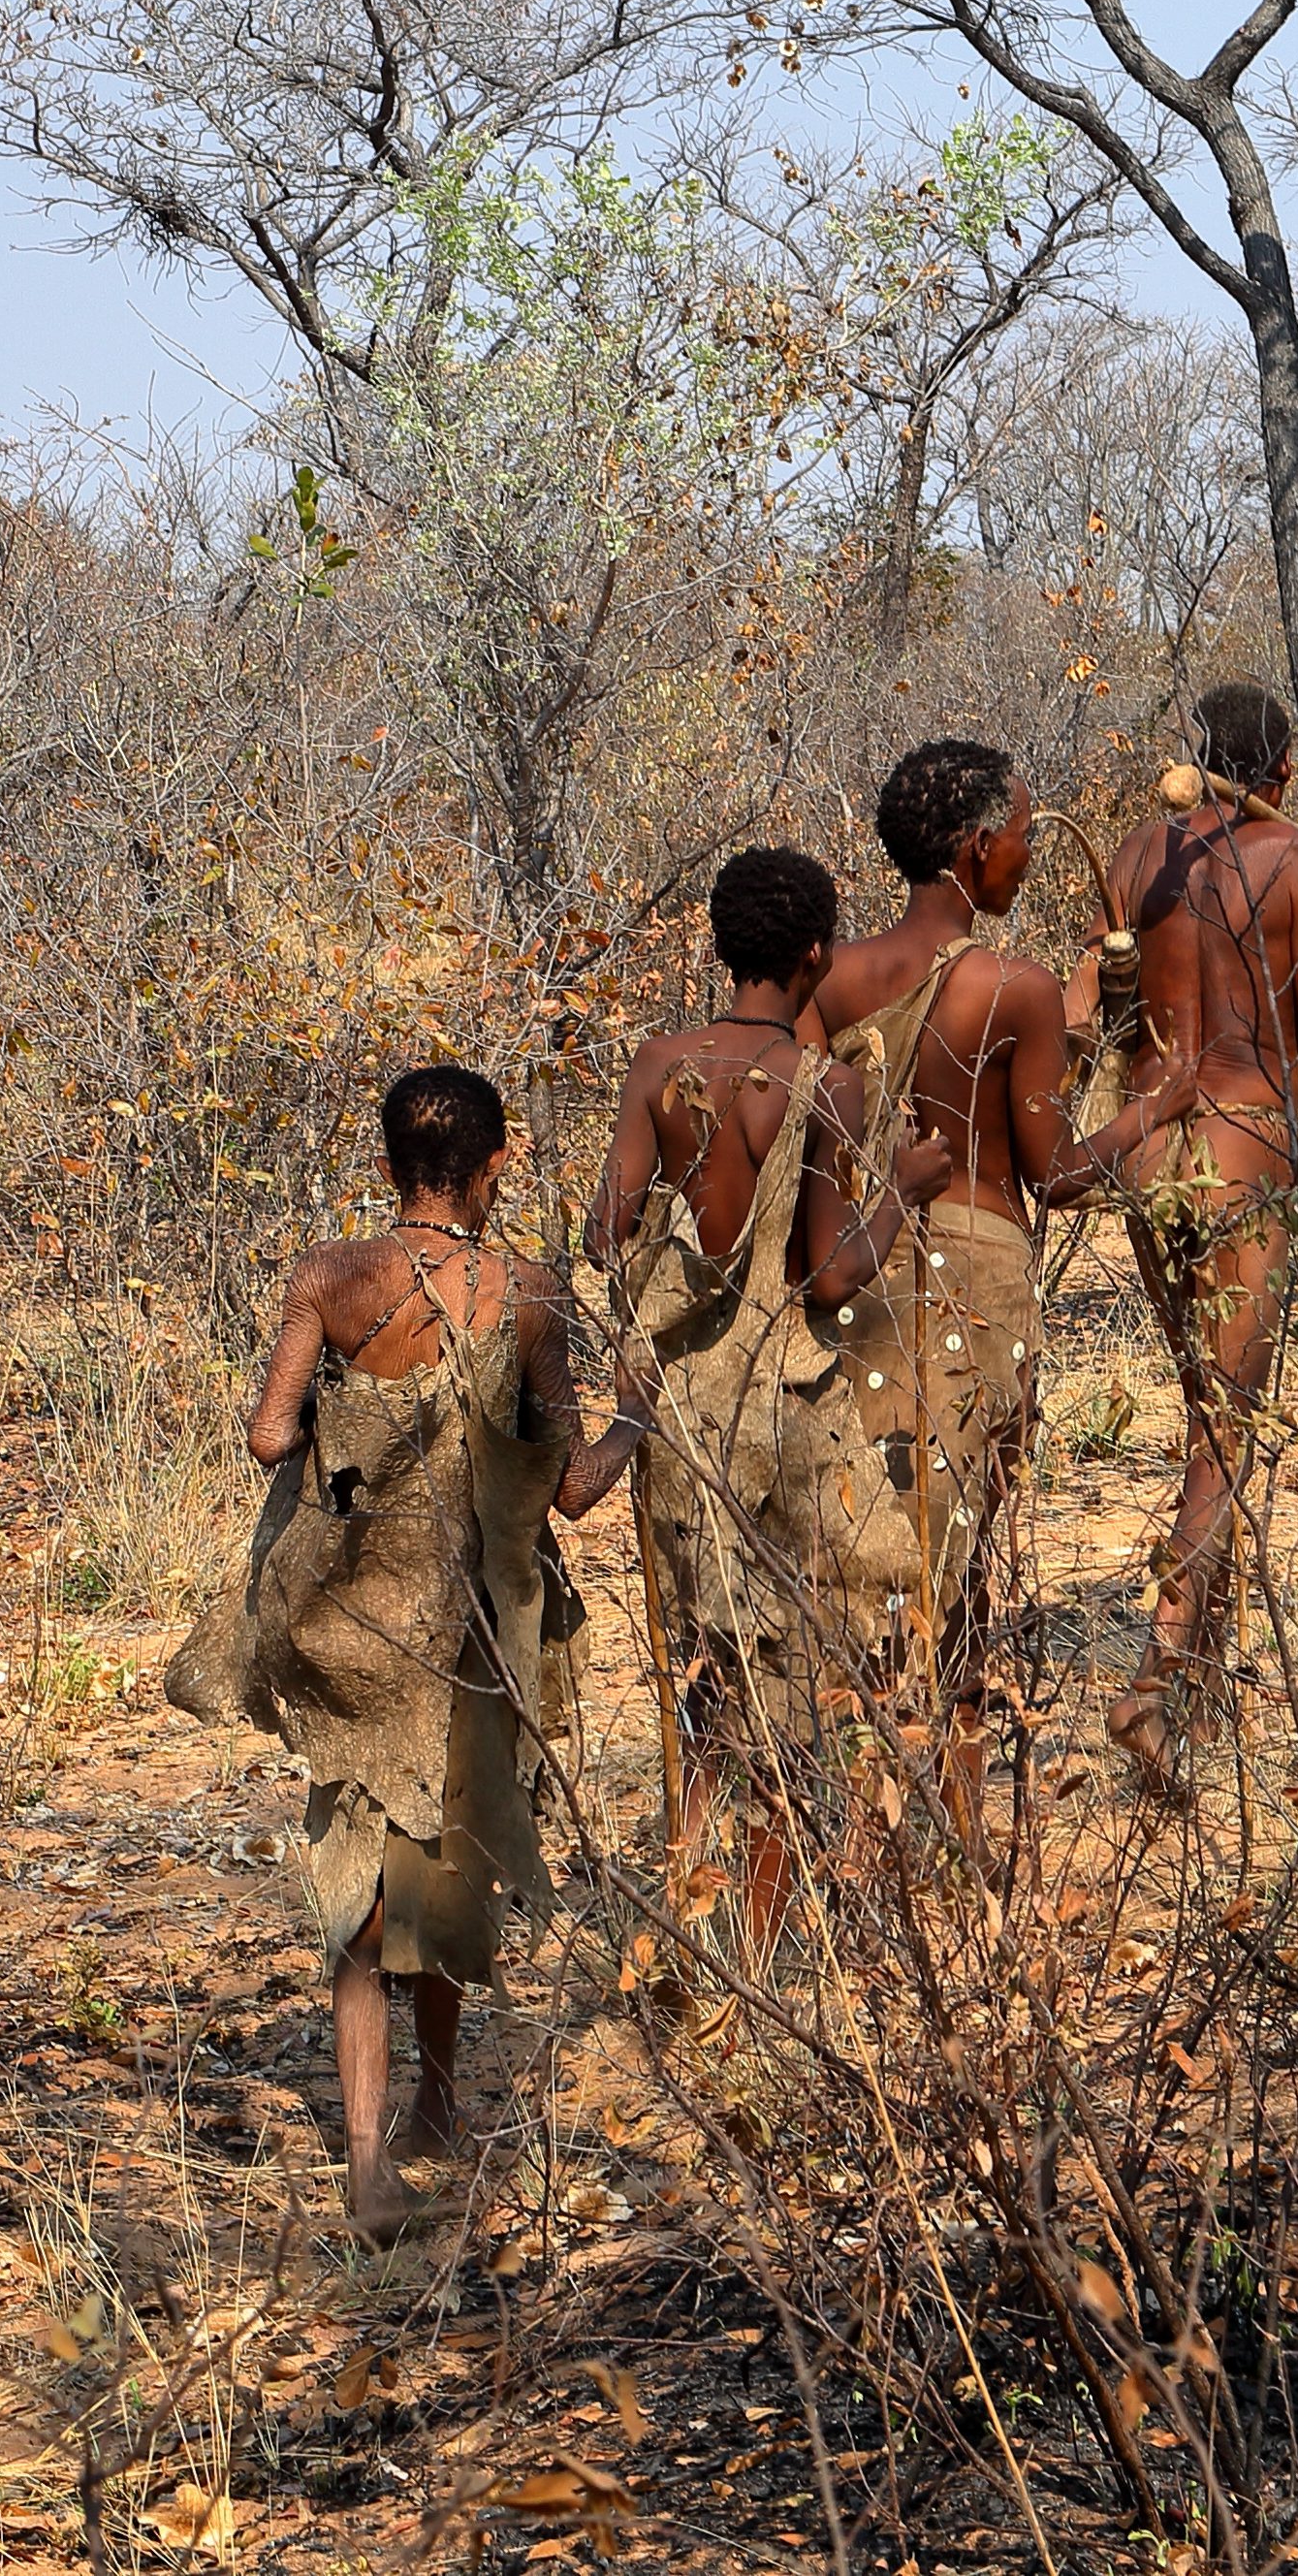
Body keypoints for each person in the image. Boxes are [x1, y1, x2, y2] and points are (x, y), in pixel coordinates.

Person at [237, 1064, 643, 2236]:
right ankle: (441, 2104)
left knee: (358, 1876)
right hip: (470, 1619)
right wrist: (641, 1416)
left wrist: (348, 1424)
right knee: (451, 1860)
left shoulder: (332, 1275)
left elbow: (269, 1433)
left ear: (387, 1168)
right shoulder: (528, 1291)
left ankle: (371, 2164)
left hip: (352, 1617)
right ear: (497, 1164)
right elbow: (569, 1488)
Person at [809, 739, 1202, 1828]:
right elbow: (1062, 1173)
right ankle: (958, 1827)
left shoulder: (830, 981)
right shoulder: (1012, 987)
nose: (1029, 854)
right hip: (977, 1280)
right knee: (964, 1556)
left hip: (858, 1276)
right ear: (979, 848)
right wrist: (1153, 1107)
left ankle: (871, 1822)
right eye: (1023, 833)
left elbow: (804, 1126)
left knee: (868, 1541)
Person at [584, 847, 955, 1932]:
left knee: (700, 1679)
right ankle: (760, 1943)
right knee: (786, 1685)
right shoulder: (823, 1084)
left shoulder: (660, 1064)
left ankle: (689, 1934)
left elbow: (606, 1233)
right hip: (781, 1405)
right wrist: (907, 1190)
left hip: (678, 1414)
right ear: (815, 956)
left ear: (717, 944)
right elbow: (832, 1273)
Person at [1090, 682, 1298, 1787]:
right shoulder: (1294, 859)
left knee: (1212, 1413)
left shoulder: (1134, 856)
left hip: (1151, 1156)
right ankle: (1159, 1676)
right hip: (1243, 1147)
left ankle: (1202, 1689)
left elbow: (1113, 1018)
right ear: (1284, 775)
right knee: (1223, 1426)